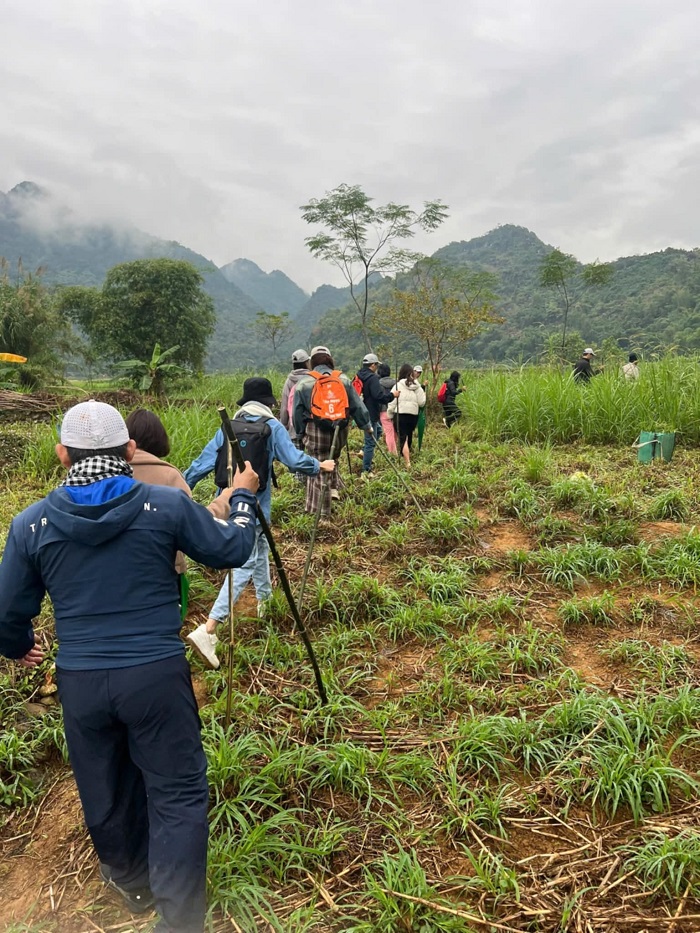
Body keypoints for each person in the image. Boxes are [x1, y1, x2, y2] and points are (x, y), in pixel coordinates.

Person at [0, 400, 260, 933]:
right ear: (129, 451)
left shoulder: (31, 525)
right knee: (177, 791)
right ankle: (179, 918)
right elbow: (232, 548)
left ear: (62, 454)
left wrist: (19, 644)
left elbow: (7, 614)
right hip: (155, 675)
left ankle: (131, 882)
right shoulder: (165, 505)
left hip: (81, 680)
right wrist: (243, 501)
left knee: (104, 783)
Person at [184, 377, 335, 668]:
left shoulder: (228, 428)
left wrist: (179, 488)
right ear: (268, 403)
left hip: (226, 506)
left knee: (259, 551)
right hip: (253, 509)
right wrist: (320, 465)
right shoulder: (272, 427)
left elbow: (201, 465)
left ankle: (265, 604)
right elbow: (294, 461)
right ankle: (209, 629)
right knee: (246, 563)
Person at [293, 346, 369, 515]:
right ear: (330, 359)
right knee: (332, 458)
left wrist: (299, 434)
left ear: (312, 362)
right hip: (338, 432)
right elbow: (357, 406)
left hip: (315, 432)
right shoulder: (343, 379)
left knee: (319, 467)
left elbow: (297, 412)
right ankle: (334, 490)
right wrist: (366, 426)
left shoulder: (304, 383)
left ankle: (321, 514)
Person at [355, 352, 398, 476]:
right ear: (372, 365)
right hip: (371, 412)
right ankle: (366, 470)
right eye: (376, 366)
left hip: (361, 411)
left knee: (378, 431)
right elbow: (378, 396)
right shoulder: (372, 378)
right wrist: (392, 396)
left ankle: (364, 452)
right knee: (370, 442)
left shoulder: (358, 375)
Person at [387, 363, 426, 469]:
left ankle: (407, 461)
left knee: (402, 437)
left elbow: (392, 401)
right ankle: (406, 454)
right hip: (413, 415)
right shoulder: (417, 386)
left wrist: (389, 414)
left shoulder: (398, 385)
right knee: (409, 434)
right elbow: (422, 402)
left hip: (400, 414)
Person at [279, 349, 311, 444]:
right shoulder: (312, 379)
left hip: (294, 429)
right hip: (311, 428)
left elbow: (284, 408)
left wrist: (284, 426)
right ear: (306, 363)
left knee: (296, 457)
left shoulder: (289, 381)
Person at [377, 362, 397, 455]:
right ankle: (396, 449)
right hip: (396, 410)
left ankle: (392, 452)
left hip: (384, 411)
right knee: (395, 431)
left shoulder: (378, 384)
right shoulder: (396, 383)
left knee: (389, 432)